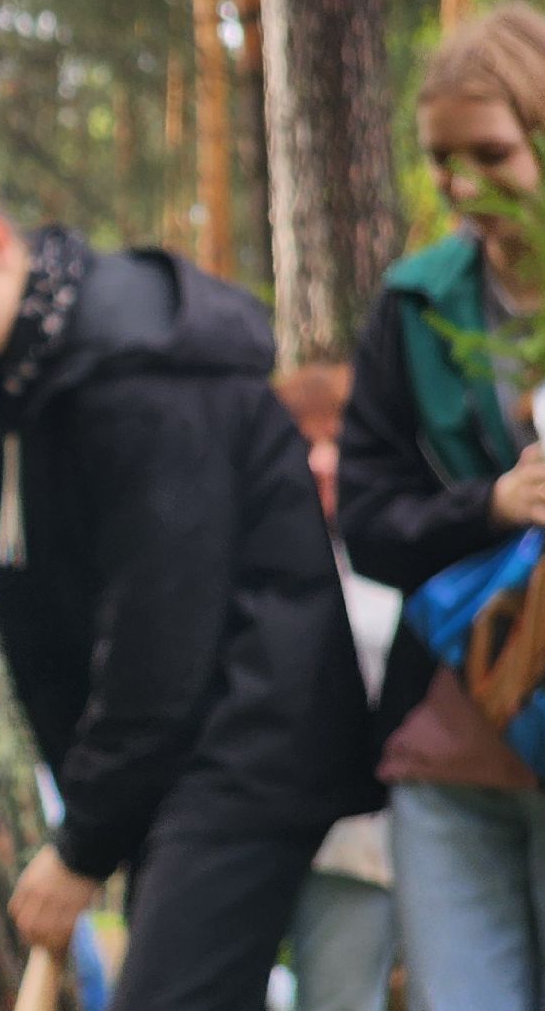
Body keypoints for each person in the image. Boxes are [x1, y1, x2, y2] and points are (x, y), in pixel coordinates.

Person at [0, 160, 378, 1010]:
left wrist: (83, 843)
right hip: (175, 765)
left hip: (246, 738)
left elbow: (160, 633)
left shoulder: (142, 374)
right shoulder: (24, 380)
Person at [337, 2, 545, 1011]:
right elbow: (370, 523)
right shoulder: (413, 303)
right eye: (440, 161)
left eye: (491, 154)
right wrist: (490, 504)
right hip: (452, 744)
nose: (463, 188)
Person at [276, 364, 403, 1011]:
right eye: (304, 443)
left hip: (361, 841)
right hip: (254, 826)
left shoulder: (400, 554)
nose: (322, 461)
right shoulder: (237, 561)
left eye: (338, 442)